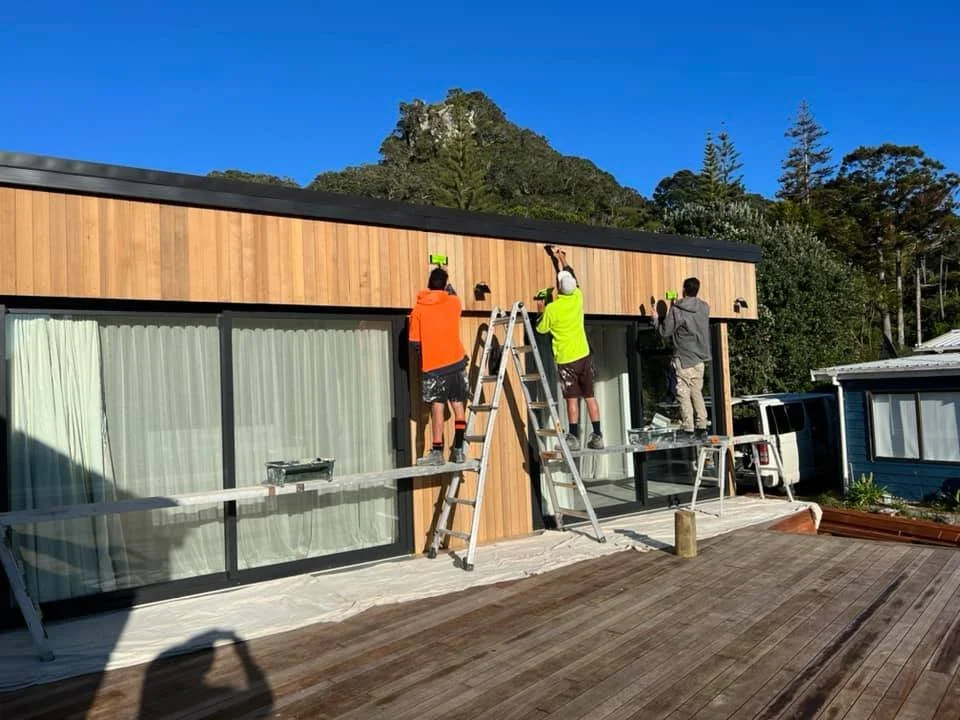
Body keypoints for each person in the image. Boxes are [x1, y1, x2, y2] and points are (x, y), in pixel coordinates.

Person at [535, 246, 603, 451]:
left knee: (572, 398)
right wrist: (562, 260)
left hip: (566, 359)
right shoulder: (578, 297)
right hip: (583, 355)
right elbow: (571, 278)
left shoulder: (553, 309)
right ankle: (598, 435)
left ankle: (573, 436)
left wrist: (541, 307)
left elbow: (540, 328)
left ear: (558, 287)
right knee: (590, 396)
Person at [409, 265, 468, 465]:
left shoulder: (418, 309)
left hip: (434, 366)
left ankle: (437, 451)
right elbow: (453, 293)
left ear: (428, 284)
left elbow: (415, 344)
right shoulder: (454, 303)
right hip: (457, 362)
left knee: (437, 408)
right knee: (458, 405)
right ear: (444, 285)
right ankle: (459, 449)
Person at [651, 277, 711, 439]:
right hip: (699, 359)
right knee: (696, 392)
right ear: (697, 290)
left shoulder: (678, 311)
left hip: (684, 359)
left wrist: (656, 319)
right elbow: (692, 311)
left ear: (684, 290)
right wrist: (678, 304)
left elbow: (665, 332)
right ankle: (702, 426)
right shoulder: (704, 308)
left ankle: (689, 428)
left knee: (683, 393)